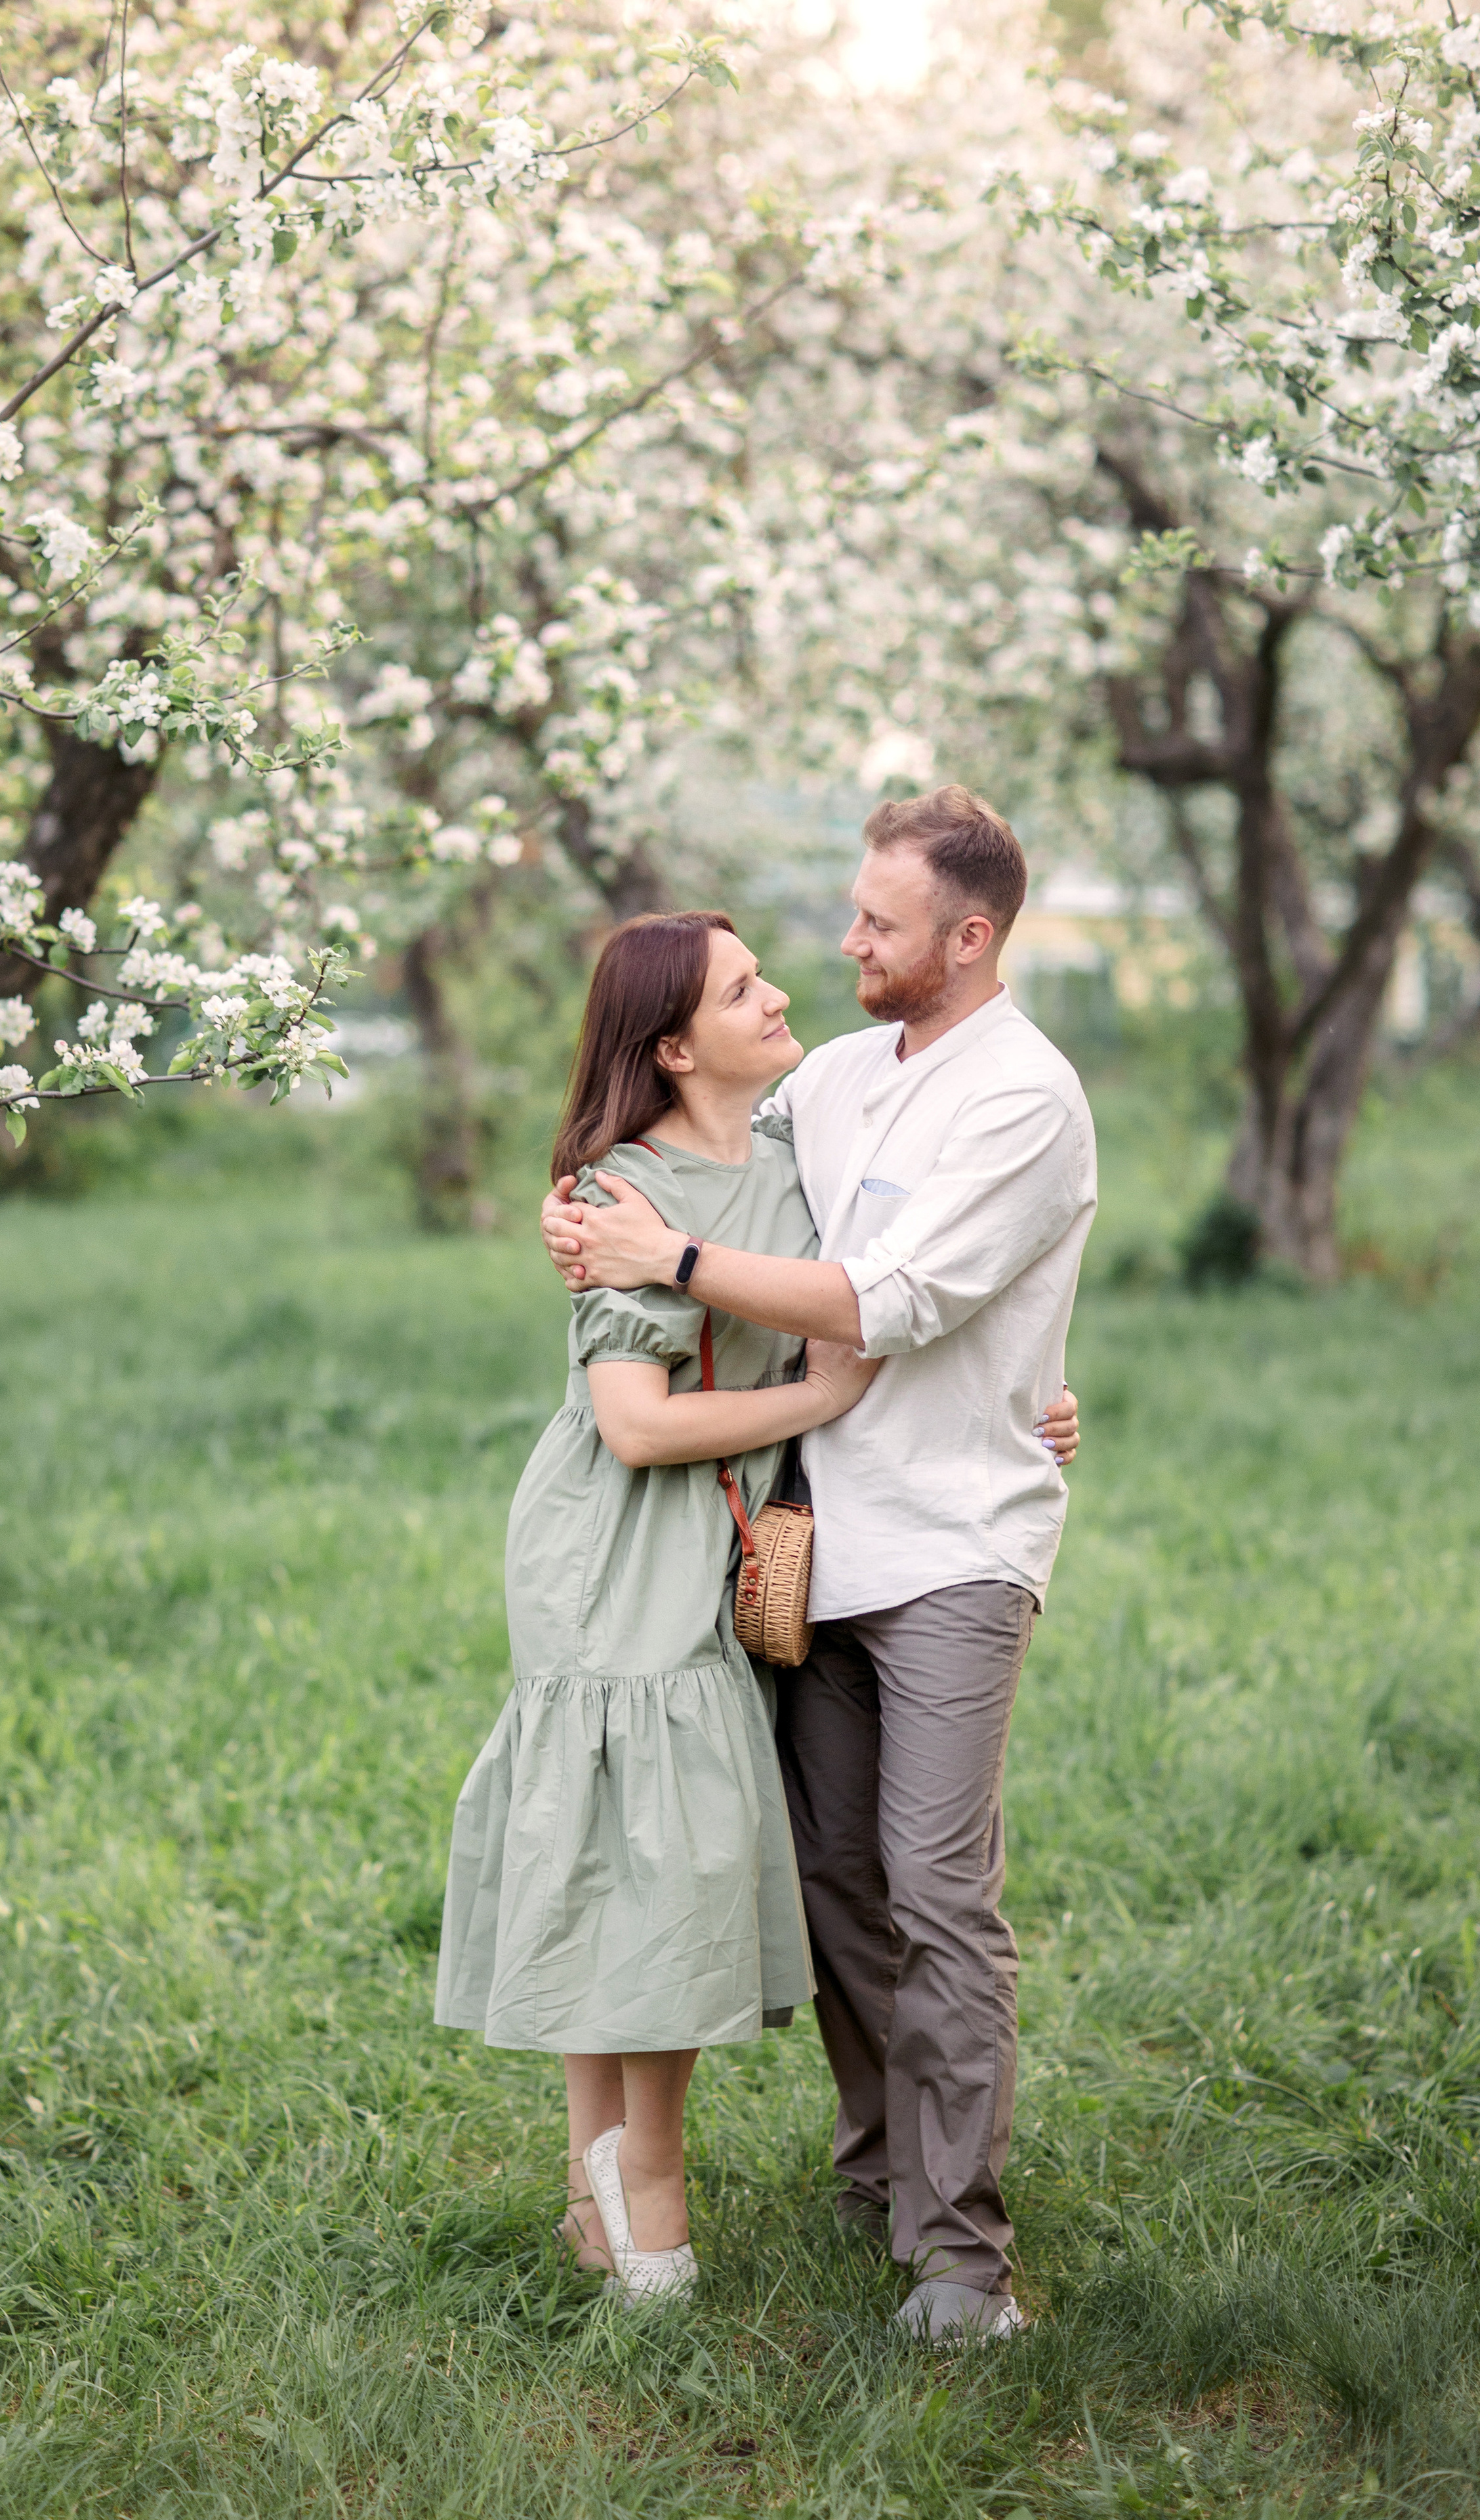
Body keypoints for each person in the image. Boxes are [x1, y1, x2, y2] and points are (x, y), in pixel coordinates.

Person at [542, 785, 1096, 2342]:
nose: (844, 942)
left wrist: (670, 1259)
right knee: (838, 1888)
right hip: (803, 1542)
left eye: (876, 922)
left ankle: (962, 2262)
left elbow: (891, 1300)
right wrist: (585, 1202)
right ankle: (881, 2183)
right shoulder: (841, 1076)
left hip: (954, 1549)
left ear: (966, 939)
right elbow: (684, 1154)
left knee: (934, 1888)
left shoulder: (1024, 1096)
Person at [434, 910, 880, 2306]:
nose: (780, 994)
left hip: (711, 1535)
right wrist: (814, 1399)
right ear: (675, 1047)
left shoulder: (797, 1157)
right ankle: (647, 2183)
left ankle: (599, 2190)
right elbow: (631, 1426)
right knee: (644, 1852)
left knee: (645, 1847)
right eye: (743, 991)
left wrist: (1023, 1403)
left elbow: (893, 1290)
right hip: (616, 1547)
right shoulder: (623, 1191)